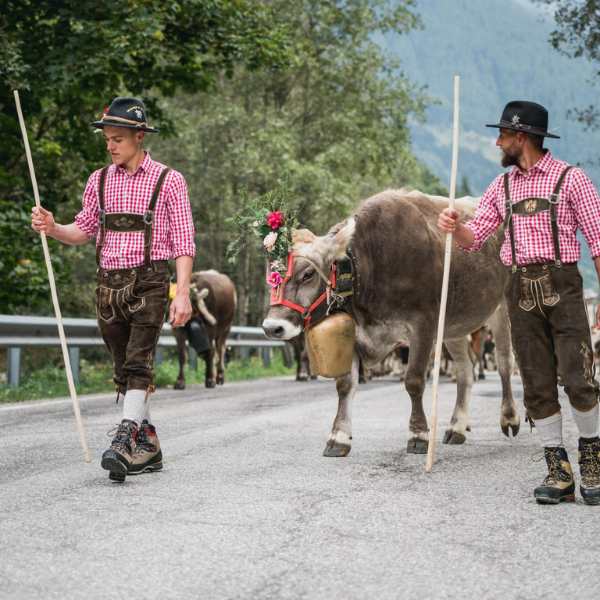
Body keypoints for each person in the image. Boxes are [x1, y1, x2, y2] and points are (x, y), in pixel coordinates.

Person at [438, 100, 600, 505]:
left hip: (563, 287)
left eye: (503, 136)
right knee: (537, 385)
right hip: (519, 291)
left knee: (579, 378)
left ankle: (593, 463)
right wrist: (455, 228)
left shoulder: (572, 180)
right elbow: (476, 238)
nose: (497, 142)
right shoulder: (502, 187)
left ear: (521, 137)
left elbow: (598, 241)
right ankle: (558, 472)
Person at [31, 97, 195, 482]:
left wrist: (183, 292)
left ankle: (123, 440)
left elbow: (184, 242)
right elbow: (83, 231)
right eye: (107, 139)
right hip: (108, 285)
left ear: (140, 136)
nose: (111, 146)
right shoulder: (98, 180)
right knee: (123, 369)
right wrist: (54, 228)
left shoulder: (169, 180)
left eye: (118, 138)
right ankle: (148, 441)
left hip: (151, 281)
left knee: (139, 363)